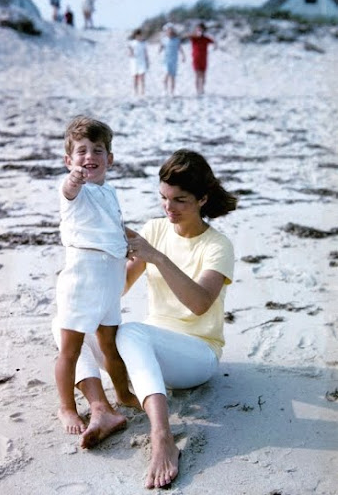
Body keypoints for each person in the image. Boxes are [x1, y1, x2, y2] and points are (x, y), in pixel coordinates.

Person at [53, 148, 236, 489]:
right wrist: (86, 272)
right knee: (67, 321)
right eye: (164, 198)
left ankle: (162, 436)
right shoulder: (155, 228)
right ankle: (101, 408)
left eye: (180, 200)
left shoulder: (217, 245)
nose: (169, 208)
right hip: (145, 354)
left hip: (197, 356)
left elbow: (199, 304)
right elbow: (118, 286)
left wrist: (157, 257)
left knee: (132, 332)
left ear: (202, 199)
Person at [53, 115, 139, 436]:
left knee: (109, 345)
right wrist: (74, 179)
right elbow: (69, 189)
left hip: (110, 281)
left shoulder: (110, 191)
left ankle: (124, 394)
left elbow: (113, 225)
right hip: (82, 280)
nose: (90, 157)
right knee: (70, 349)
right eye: (82, 151)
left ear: (110, 159)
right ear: (69, 160)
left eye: (98, 150)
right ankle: (66, 407)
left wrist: (125, 245)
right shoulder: (76, 192)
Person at [187, 22, 217, 96]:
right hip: (196, 58)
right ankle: (197, 91)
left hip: (204, 59)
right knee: (197, 75)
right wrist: (195, 33)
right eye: (198, 29)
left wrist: (215, 46)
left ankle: (202, 89)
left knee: (203, 75)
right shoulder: (194, 38)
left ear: (204, 30)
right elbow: (187, 35)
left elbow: (214, 42)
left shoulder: (205, 38)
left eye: (201, 29)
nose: (199, 30)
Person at [159, 23, 186, 96]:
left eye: (171, 29)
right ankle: (164, 90)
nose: (170, 31)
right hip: (166, 60)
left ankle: (172, 92)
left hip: (174, 60)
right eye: (168, 30)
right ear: (166, 31)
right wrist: (159, 52)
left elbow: (180, 48)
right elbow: (161, 48)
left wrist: (183, 56)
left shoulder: (176, 40)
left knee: (173, 76)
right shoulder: (164, 39)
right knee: (166, 74)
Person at [128, 28, 149, 96]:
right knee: (135, 77)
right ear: (135, 35)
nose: (139, 37)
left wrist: (147, 61)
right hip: (134, 62)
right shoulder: (132, 43)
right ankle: (135, 91)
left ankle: (142, 91)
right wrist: (131, 53)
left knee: (142, 77)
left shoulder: (144, 43)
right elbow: (130, 51)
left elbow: (146, 53)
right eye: (138, 35)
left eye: (140, 35)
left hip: (142, 62)